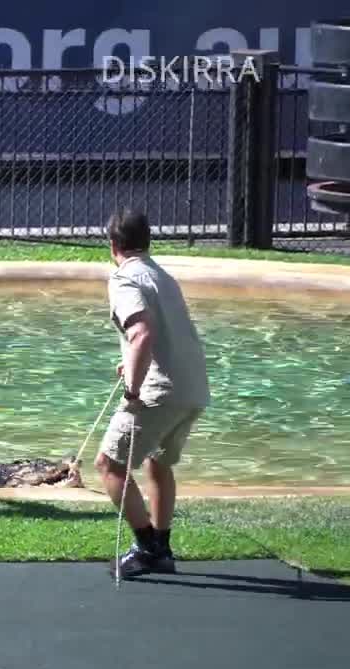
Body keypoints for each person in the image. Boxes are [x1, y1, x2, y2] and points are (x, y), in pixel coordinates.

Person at [96, 209, 211, 579]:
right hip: (192, 387)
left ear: (113, 244)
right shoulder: (162, 274)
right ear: (148, 241)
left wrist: (133, 386)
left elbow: (142, 333)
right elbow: (157, 334)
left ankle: (147, 547)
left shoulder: (124, 278)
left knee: (110, 466)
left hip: (159, 391)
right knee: (159, 462)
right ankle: (162, 548)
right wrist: (131, 362)